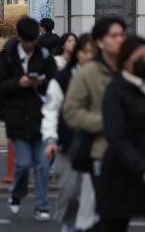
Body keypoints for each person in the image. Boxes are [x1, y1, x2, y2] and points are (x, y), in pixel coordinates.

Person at [100, 36, 145, 232]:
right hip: (121, 176)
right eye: (139, 57)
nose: (144, 62)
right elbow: (116, 137)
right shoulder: (115, 91)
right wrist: (142, 168)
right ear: (125, 60)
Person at [63, 16, 127, 230]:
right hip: (100, 152)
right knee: (107, 211)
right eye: (113, 36)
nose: (119, 40)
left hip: (130, 154)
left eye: (121, 35)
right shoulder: (89, 72)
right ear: (100, 41)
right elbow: (71, 111)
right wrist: (105, 123)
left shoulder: (129, 70)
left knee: (122, 215)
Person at [0, 17, 58, 221]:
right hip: (16, 117)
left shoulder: (44, 55)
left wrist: (41, 84)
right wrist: (18, 83)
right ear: (19, 37)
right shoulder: (9, 56)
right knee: (22, 163)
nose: (30, 45)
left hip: (41, 117)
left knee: (42, 165)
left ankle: (42, 205)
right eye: (27, 41)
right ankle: (16, 193)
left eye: (33, 41)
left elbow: (55, 84)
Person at [42, 34, 97, 232]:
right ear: (77, 54)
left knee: (93, 192)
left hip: (97, 144)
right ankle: (68, 221)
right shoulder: (62, 78)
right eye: (85, 52)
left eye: (93, 52)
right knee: (71, 190)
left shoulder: (106, 78)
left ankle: (87, 225)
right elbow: (51, 110)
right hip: (69, 144)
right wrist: (50, 138)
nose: (89, 56)